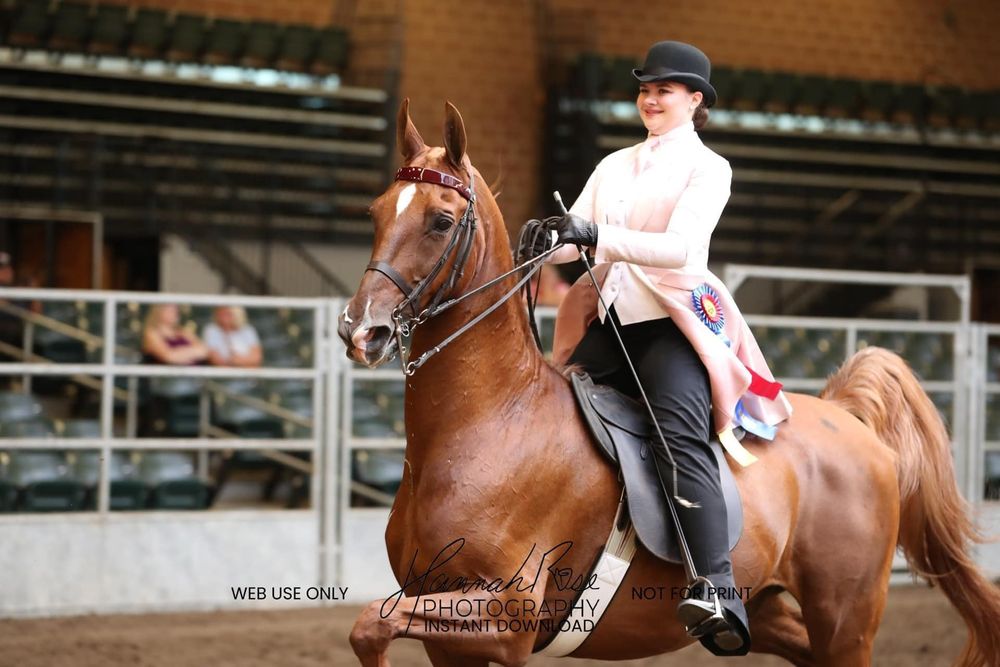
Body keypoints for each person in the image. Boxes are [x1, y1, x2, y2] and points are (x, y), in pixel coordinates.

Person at [540, 41, 793, 656]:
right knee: (540, 406)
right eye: (646, 89)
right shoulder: (614, 164)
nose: (651, 99)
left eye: (665, 90)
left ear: (694, 101)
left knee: (678, 436)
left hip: (671, 325)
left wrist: (597, 234)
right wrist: (546, 243)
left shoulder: (710, 168)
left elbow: (681, 248)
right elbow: (574, 242)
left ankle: (717, 587)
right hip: (610, 320)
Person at [141, 303, 209, 365]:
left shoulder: (184, 332)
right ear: (158, 311)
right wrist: (192, 353)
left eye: (176, 309)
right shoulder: (151, 333)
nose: (175, 312)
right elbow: (168, 356)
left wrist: (178, 354)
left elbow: (204, 351)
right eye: (171, 310)